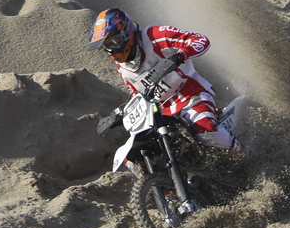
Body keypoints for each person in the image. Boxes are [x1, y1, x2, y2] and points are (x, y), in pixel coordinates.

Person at [87, 8, 244, 152]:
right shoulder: (123, 69)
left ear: (126, 33)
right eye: (107, 46)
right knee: (137, 153)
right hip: (162, 112)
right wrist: (121, 112)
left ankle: (245, 155)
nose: (111, 49)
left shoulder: (155, 36)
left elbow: (200, 40)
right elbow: (137, 94)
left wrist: (181, 55)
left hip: (190, 94)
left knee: (206, 130)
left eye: (114, 42)